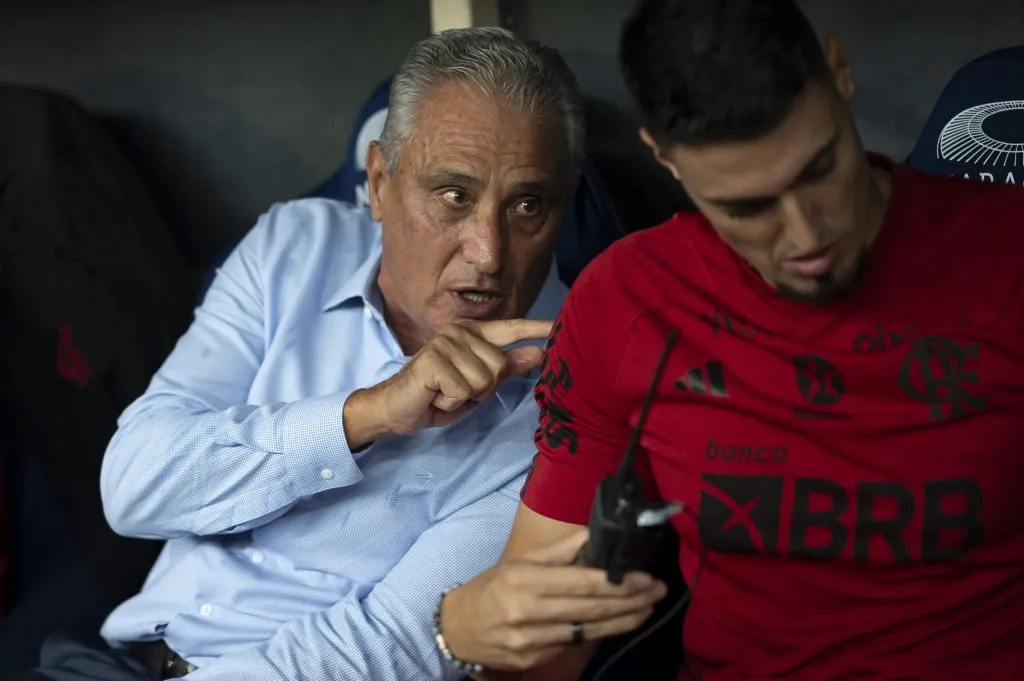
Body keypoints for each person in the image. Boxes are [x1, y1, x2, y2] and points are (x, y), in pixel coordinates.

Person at [4, 26, 654, 681]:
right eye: (454, 196)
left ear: (563, 207)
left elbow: (392, 646)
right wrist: (362, 417)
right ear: (379, 182)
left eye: (526, 205)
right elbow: (134, 487)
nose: (487, 252)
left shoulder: (574, 393)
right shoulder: (295, 247)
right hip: (110, 658)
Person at [436, 1, 1024, 680]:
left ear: (840, 74)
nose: (806, 236)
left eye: (819, 169)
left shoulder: (1007, 251)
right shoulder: (625, 304)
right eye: (747, 208)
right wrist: (458, 633)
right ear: (665, 157)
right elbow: (544, 644)